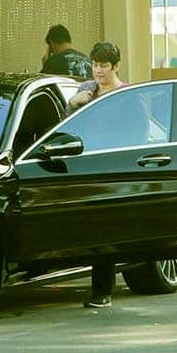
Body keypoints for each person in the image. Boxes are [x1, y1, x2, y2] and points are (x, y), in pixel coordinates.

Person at [65, 41, 126, 308]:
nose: (98, 71)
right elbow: (68, 127)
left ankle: (102, 291)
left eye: (104, 66)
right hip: (85, 167)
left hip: (113, 169)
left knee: (105, 230)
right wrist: (72, 102)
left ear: (116, 67)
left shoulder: (127, 94)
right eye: (95, 65)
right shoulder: (86, 90)